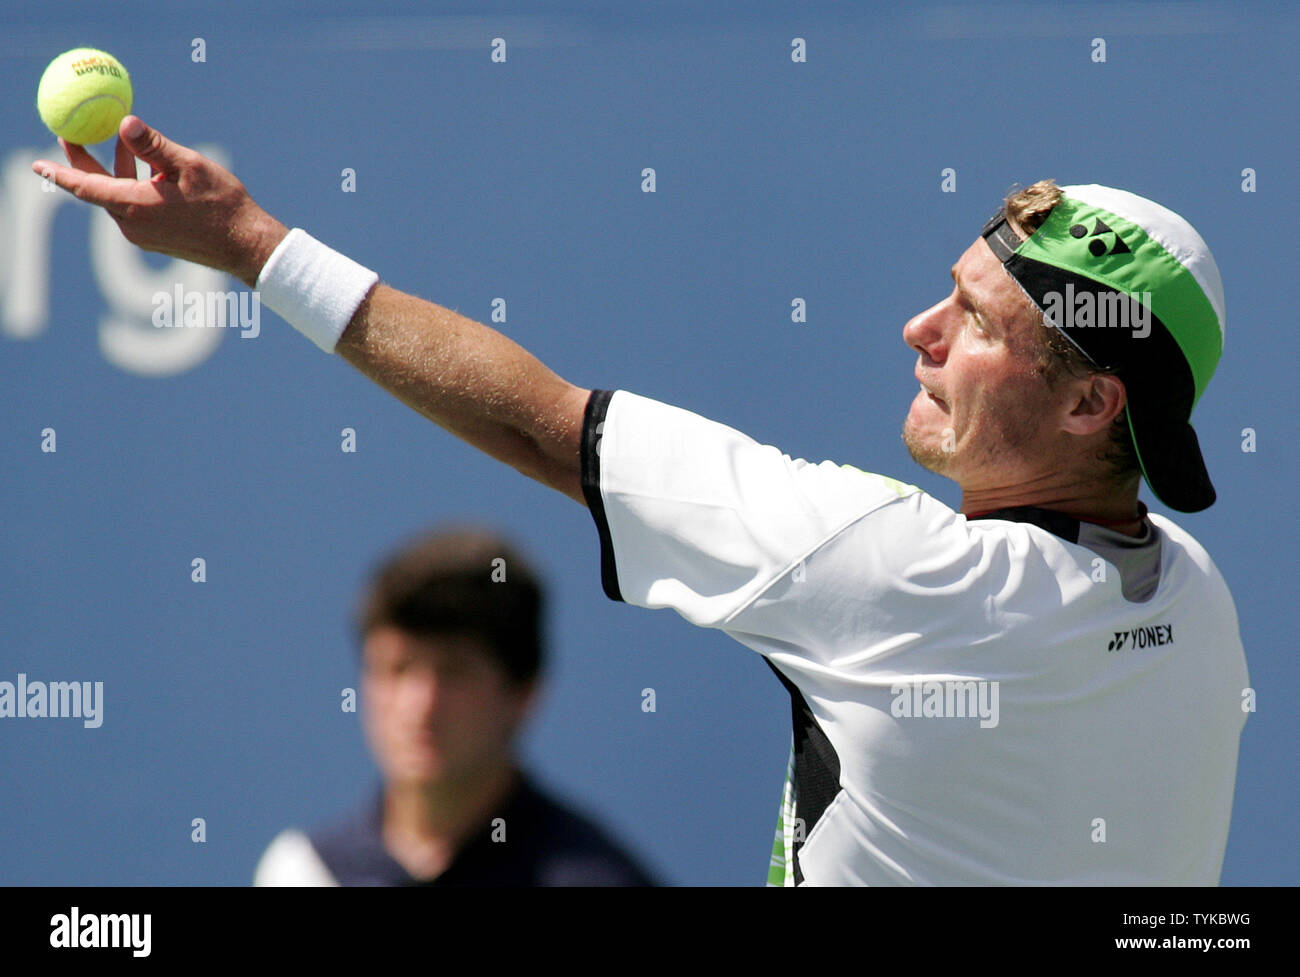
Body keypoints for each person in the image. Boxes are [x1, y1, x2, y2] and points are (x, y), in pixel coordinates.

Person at [38, 117, 1249, 885]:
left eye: (976, 324)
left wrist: (251, 242)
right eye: (950, 290)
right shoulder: (1198, 606)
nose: (920, 331)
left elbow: (538, 420)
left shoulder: (896, 572)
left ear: (1092, 405)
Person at [252, 526, 655, 885]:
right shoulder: (301, 871)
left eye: (455, 672)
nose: (420, 706)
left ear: (524, 694)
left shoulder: (597, 878)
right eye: (397, 668)